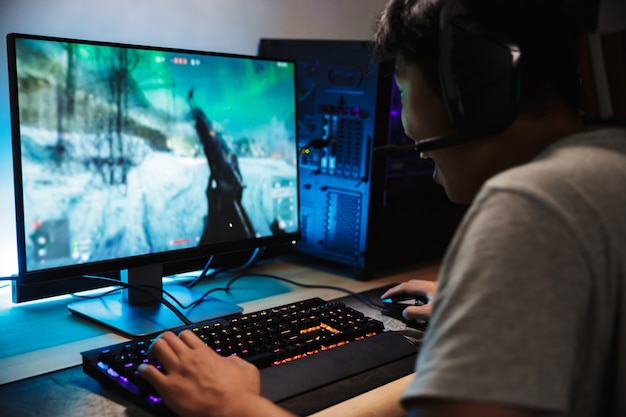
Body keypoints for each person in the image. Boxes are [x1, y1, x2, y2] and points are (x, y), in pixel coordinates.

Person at [138, 0, 626, 416]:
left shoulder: (530, 206)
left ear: (475, 87)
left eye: (405, 86)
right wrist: (489, 305)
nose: (404, 117)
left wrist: (235, 407)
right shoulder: (607, 168)